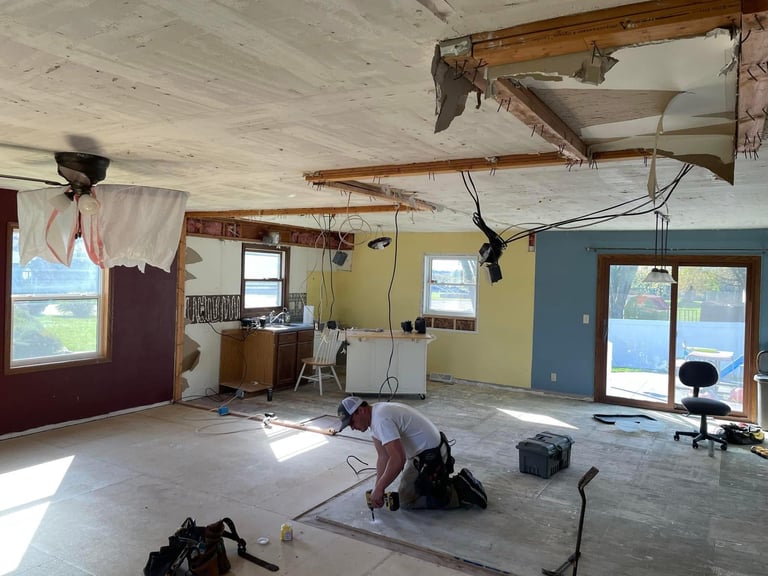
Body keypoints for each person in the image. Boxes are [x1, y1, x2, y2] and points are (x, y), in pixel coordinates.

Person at [337, 396, 487, 510]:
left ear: (361, 411)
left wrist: (380, 488)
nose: (352, 427)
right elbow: (383, 456)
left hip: (431, 455)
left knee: (407, 501)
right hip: (421, 453)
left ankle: (462, 489)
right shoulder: (374, 416)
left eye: (352, 422)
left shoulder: (381, 420)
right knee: (409, 492)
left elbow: (398, 460)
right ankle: (439, 484)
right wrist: (378, 488)